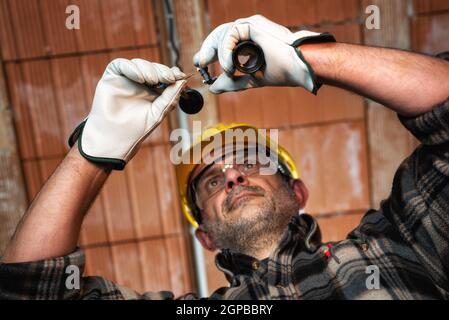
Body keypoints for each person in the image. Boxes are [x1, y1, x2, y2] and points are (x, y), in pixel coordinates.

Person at [1, 15, 448, 300]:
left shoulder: (398, 245)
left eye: (251, 161)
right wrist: (95, 150)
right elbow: (29, 293)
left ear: (297, 191)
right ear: (205, 238)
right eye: (211, 181)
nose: (232, 174)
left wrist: (309, 57)